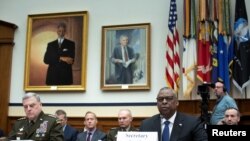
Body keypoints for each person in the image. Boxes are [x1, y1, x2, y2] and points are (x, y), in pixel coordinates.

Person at [139, 87, 207, 141]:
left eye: (168, 98)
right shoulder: (146, 125)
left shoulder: (192, 123)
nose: (164, 102)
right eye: (160, 99)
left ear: (177, 102)